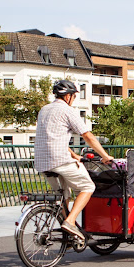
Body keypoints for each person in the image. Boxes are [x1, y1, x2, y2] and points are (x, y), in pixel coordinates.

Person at [34, 79, 113, 240]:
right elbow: (87, 135)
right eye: (74, 97)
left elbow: (53, 137)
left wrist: (74, 155)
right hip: (59, 160)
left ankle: (67, 235)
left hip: (42, 161)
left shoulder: (44, 109)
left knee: (63, 195)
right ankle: (70, 222)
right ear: (68, 96)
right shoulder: (67, 111)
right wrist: (105, 156)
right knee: (87, 186)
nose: (74, 100)